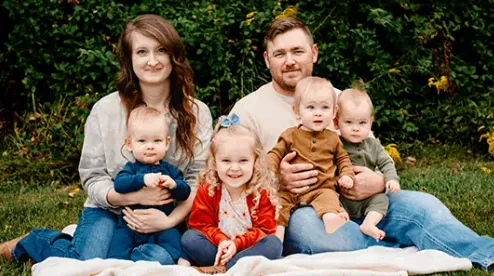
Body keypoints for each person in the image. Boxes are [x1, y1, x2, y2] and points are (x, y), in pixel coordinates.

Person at [230, 16, 494, 271]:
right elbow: (228, 179)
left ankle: (485, 252)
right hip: (305, 210)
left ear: (314, 53)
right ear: (267, 59)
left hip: (364, 202)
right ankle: (391, 245)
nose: (290, 61)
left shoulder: (341, 100)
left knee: (424, 206)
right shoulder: (248, 110)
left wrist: (379, 181)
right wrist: (276, 178)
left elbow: (375, 154)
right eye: (280, 54)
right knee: (315, 231)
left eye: (298, 51)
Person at [0, 14, 213, 264]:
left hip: (164, 214)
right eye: (142, 52)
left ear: (173, 56)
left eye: (161, 51)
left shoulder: (196, 112)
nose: (153, 61)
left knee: (155, 261)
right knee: (87, 262)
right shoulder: (105, 110)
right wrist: (131, 198)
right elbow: (92, 176)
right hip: (108, 209)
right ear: (130, 59)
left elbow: (198, 180)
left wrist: (169, 220)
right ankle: (36, 241)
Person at [181, 114, 283, 274]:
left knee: (274, 244)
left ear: (255, 161)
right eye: (226, 161)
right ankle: (232, 268)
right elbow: (200, 224)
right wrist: (222, 242)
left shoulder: (260, 190)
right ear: (215, 162)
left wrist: (236, 244)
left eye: (243, 161)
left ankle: (225, 270)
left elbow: (265, 229)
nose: (234, 168)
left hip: (248, 250)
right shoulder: (208, 189)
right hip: (217, 249)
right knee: (189, 238)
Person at [267, 76, 354, 240]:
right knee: (278, 208)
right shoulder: (290, 135)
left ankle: (331, 220)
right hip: (291, 191)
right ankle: (276, 241)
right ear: (297, 111)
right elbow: (274, 154)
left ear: (334, 111)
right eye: (311, 107)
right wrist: (270, 170)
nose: (318, 113)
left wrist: (347, 175)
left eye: (325, 107)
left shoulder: (333, 138)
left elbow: (343, 159)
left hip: (321, 189)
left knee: (329, 199)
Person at [107, 106, 191, 265]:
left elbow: (185, 191)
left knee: (174, 238)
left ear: (167, 143)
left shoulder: (169, 171)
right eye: (142, 141)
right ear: (129, 144)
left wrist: (174, 185)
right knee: (118, 245)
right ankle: (119, 266)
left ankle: (181, 264)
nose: (150, 146)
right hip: (130, 224)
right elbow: (119, 184)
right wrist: (142, 179)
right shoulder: (131, 169)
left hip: (162, 223)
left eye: (157, 141)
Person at [334, 88, 400, 241]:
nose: (355, 128)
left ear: (371, 122)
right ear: (336, 123)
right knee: (332, 201)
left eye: (362, 123)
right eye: (349, 122)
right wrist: (339, 178)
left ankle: (368, 224)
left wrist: (391, 179)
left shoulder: (373, 145)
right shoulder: (335, 144)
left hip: (369, 198)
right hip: (343, 197)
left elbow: (386, 163)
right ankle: (343, 227)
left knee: (382, 201)